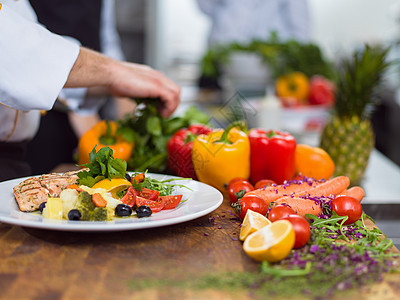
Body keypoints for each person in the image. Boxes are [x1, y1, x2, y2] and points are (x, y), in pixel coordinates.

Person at [0, 1, 180, 181]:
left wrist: (118, 82)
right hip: (45, 124)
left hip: (15, 159)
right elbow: (16, 48)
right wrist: (114, 72)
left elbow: (45, 46)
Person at [26, 0, 134, 174]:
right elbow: (25, 52)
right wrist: (78, 107)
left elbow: (107, 38)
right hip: (41, 112)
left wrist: (123, 95)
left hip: (92, 104)